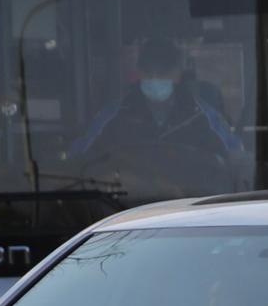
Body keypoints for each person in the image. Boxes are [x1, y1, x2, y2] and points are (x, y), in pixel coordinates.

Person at [71, 38, 239, 191]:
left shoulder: (203, 115)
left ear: (177, 73)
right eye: (149, 73)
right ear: (139, 73)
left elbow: (235, 157)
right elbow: (80, 159)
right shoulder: (113, 115)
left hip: (191, 204)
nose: (155, 79)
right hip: (126, 206)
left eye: (162, 74)